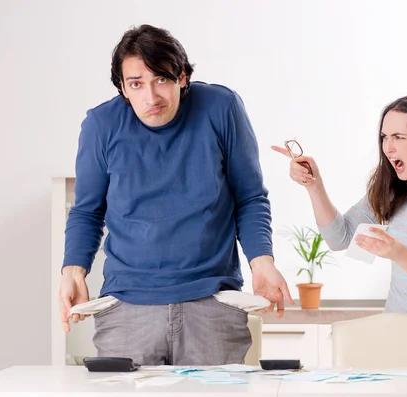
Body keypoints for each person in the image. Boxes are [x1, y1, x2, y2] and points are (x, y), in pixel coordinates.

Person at [59, 24, 293, 366]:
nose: (151, 98)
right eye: (136, 84)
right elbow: (87, 211)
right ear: (123, 88)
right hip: (128, 311)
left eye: (161, 80)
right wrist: (73, 270)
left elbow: (250, 197)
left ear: (182, 77)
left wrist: (263, 262)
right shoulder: (101, 125)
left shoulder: (220, 107)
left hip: (211, 305)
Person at [272, 95, 407, 367]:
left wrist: (396, 251)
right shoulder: (393, 187)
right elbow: (339, 238)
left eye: (399, 137)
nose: (388, 147)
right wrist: (314, 186)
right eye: (384, 137)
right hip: (401, 341)